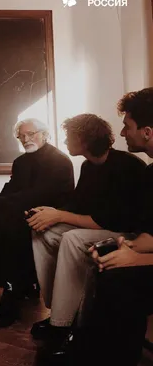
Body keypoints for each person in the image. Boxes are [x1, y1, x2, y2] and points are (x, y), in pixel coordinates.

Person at [27, 113, 146, 361]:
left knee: (71, 239)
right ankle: (59, 309)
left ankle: (61, 327)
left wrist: (60, 215)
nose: (65, 141)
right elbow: (77, 205)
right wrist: (49, 213)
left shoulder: (127, 166)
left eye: (69, 136)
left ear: (84, 140)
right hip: (99, 228)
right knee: (42, 229)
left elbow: (111, 220)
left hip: (127, 234)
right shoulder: (87, 166)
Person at [0, 118, 74, 328]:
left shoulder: (60, 160)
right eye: (21, 136)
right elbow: (11, 191)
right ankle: (11, 287)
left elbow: (37, 195)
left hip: (54, 216)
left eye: (31, 134)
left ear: (44, 134)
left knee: (15, 217)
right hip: (26, 214)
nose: (26, 139)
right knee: (14, 215)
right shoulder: (21, 162)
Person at [76, 88, 153, 366]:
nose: (122, 133)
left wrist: (137, 259)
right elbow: (150, 233)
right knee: (108, 262)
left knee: (120, 280)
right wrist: (125, 246)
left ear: (147, 132)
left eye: (127, 126)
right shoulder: (150, 173)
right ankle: (89, 349)